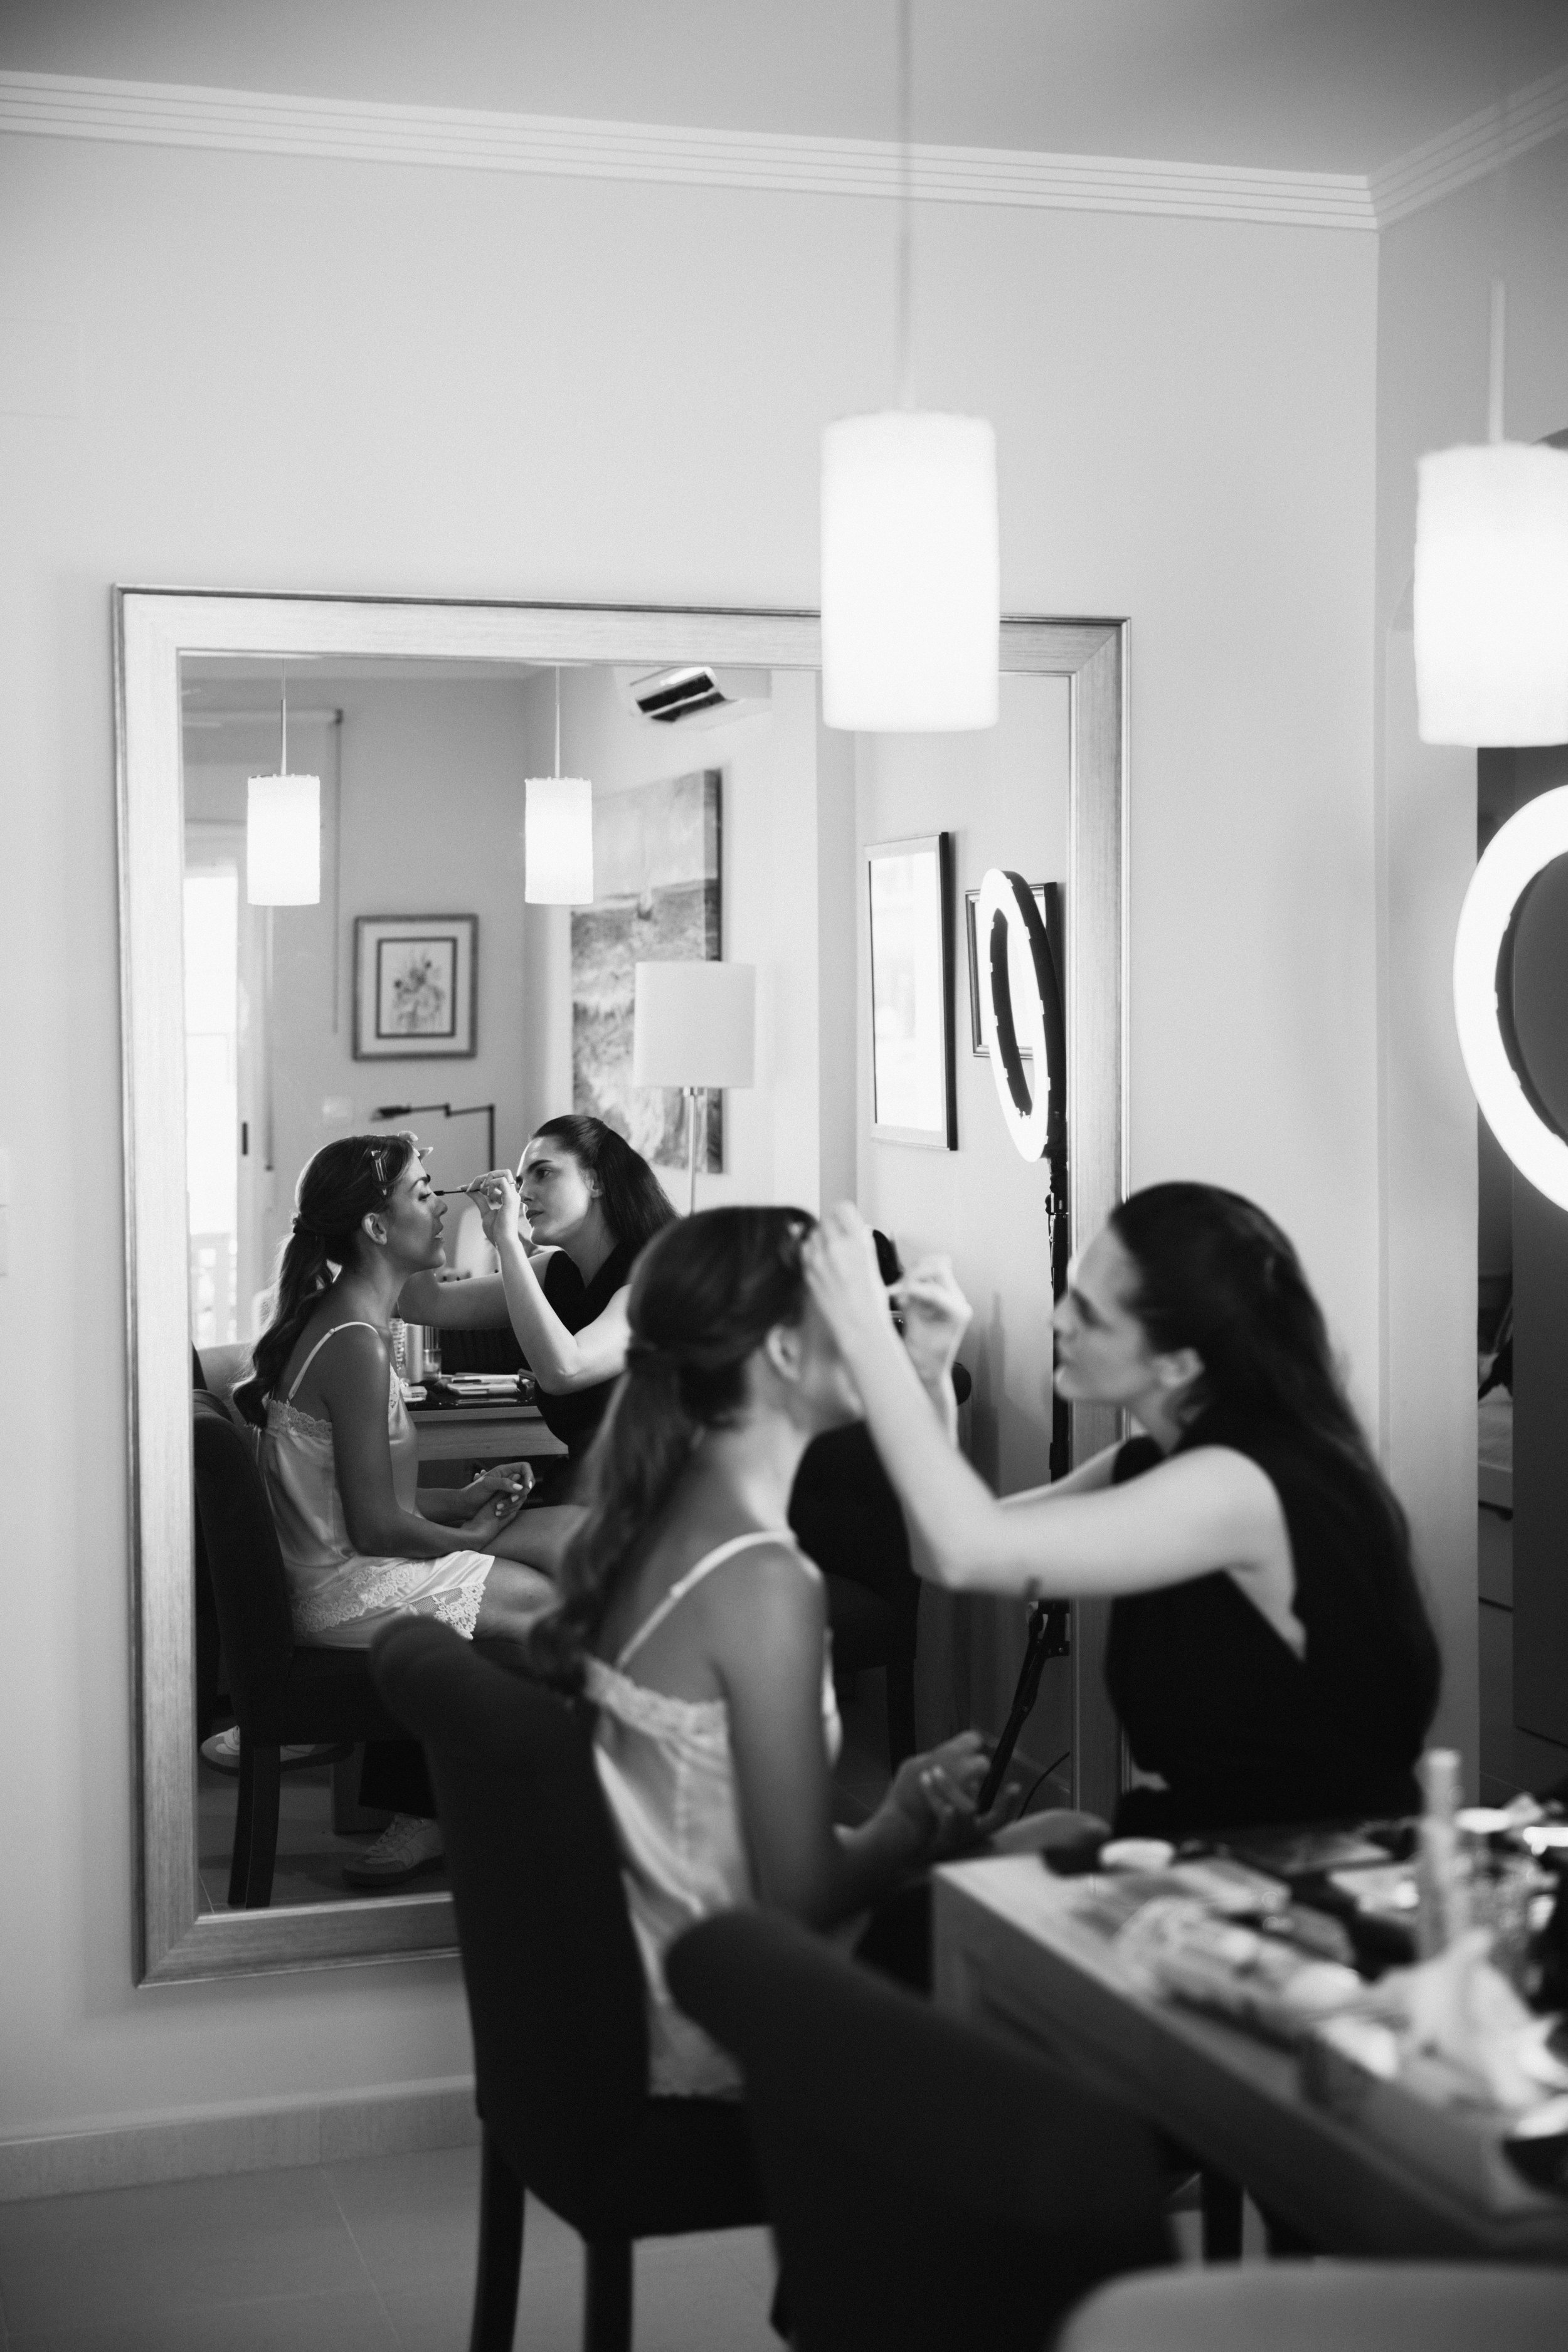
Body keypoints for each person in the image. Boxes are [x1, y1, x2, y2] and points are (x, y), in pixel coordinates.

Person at [522, 1205, 1009, 2095]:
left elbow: (706, 1813)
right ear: (784, 1352)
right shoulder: (762, 1578)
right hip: (728, 2016)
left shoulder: (662, 1515)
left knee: (1045, 1855)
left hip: (673, 1972)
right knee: (1053, 1868)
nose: (876, 1328)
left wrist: (926, 1370)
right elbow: (800, 1896)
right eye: (851, 1309)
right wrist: (901, 1817)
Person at [805, 1184, 1442, 1840]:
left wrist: (864, 1334)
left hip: (1303, 1870)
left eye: (1089, 1312)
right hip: (1200, 1843)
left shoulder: (1240, 1485)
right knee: (1037, 1841)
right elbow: (939, 1550)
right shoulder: (1149, 1464)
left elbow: (965, 1550)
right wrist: (929, 1372)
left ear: (1176, 1363)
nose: (1057, 1321)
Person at [228, 1134, 559, 1881]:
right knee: (544, 1605)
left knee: (545, 1579)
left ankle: (476, 1810)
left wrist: (463, 1498)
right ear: (376, 1228)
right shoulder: (355, 1343)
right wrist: (469, 1535)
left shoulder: (350, 1319)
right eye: (421, 1193)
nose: (440, 1206)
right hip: (338, 1593)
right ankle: (524, 1823)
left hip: (342, 1569)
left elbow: (356, 1496)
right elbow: (378, 1527)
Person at [398, 1114, 675, 1511]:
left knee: (462, 1549)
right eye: (522, 1180)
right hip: (591, 1496)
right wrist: (408, 1200)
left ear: (595, 1181)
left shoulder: (657, 1279)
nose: (524, 1193)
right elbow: (424, 1305)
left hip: (661, 1508)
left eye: (543, 1173)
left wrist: (507, 1241)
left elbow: (565, 1371)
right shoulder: (558, 1271)